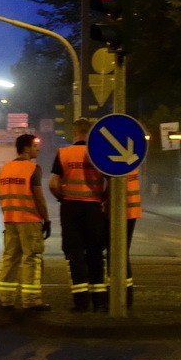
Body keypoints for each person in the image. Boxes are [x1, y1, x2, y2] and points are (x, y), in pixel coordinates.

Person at [49, 118, 108, 312]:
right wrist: (101, 197)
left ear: (74, 133)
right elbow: (111, 182)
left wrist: (62, 198)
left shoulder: (63, 153)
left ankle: (81, 302)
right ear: (91, 134)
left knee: (75, 254)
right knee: (95, 253)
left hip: (70, 207)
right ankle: (100, 301)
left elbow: (52, 184)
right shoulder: (98, 153)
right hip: (93, 207)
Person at [0, 134, 52, 312]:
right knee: (32, 258)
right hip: (29, 220)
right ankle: (31, 300)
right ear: (26, 148)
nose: (38, 149)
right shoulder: (32, 168)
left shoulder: (4, 169)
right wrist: (47, 219)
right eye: (35, 146)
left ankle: (6, 300)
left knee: (10, 259)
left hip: (10, 220)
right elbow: (39, 198)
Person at [125, 168, 142, 309]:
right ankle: (127, 295)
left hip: (116, 209)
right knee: (123, 254)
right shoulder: (130, 158)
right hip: (131, 210)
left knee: (117, 254)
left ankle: (122, 295)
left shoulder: (111, 160)